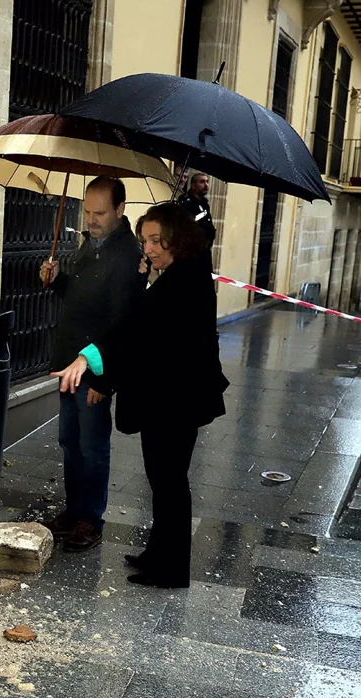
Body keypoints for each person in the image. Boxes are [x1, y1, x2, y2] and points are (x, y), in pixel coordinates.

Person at [56, 202, 229, 588]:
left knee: (169, 483)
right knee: (163, 481)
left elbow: (137, 331)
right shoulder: (178, 273)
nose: (148, 248)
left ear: (178, 240)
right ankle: (159, 554)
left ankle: (170, 570)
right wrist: (150, 277)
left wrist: (91, 359)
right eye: (145, 239)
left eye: (156, 240)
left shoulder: (183, 280)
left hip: (174, 401)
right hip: (168, 399)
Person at [38, 177, 146, 552]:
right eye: (86, 211)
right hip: (70, 362)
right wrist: (57, 281)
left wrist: (106, 379)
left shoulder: (127, 256)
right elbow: (81, 297)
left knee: (92, 445)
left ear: (120, 210)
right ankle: (73, 510)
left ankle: (90, 519)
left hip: (95, 370)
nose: (91, 218)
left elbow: (122, 325)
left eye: (100, 212)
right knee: (70, 442)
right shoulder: (91, 245)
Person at [177, 171, 217, 270]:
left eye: (207, 182)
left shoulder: (204, 204)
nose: (206, 185)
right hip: (191, 253)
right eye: (202, 182)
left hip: (204, 252)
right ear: (193, 185)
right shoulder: (186, 203)